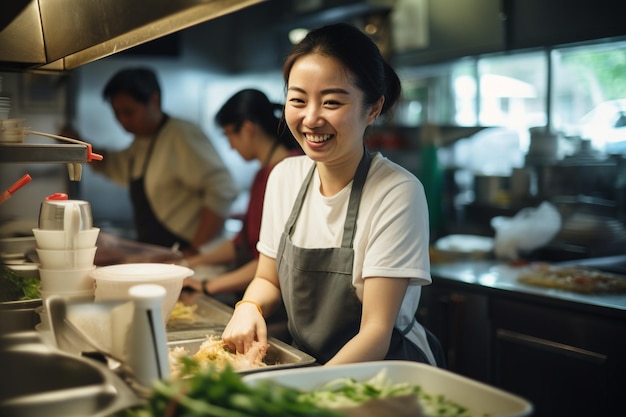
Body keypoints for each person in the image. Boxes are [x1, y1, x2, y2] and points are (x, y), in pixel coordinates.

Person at [221, 23, 443, 367]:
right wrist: (248, 306)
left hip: (384, 370)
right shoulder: (284, 177)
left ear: (372, 109)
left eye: (331, 102)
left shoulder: (397, 192)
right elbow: (267, 278)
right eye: (297, 100)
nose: (311, 118)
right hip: (310, 363)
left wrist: (311, 394)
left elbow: (376, 331)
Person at [90, 67, 237, 255]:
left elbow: (222, 188)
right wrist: (81, 149)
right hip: (160, 256)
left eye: (129, 112)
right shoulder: (141, 143)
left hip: (191, 259)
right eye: (117, 113)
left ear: (154, 100)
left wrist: (195, 249)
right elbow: (114, 165)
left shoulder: (180, 135)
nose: (123, 121)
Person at [182, 88, 301, 303]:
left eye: (229, 135)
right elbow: (242, 243)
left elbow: (271, 260)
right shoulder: (262, 174)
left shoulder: (290, 172)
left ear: (247, 129)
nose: (230, 145)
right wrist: (193, 262)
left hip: (280, 304)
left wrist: (207, 286)